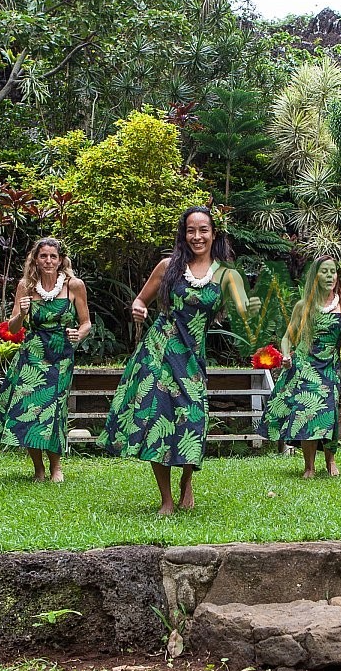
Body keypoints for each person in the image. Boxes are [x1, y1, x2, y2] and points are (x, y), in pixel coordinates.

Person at [100, 206, 259, 516]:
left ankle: (187, 479)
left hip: (192, 358)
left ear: (214, 234)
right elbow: (139, 299)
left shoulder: (227, 275)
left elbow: (245, 315)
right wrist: (138, 309)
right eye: (191, 230)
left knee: (192, 419)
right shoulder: (168, 267)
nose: (197, 236)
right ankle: (166, 500)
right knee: (158, 420)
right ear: (183, 234)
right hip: (159, 349)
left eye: (203, 230)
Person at [0, 237, 92, 482]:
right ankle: (38, 469)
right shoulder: (26, 286)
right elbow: (12, 327)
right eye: (44, 256)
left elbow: (86, 324)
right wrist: (22, 312)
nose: (49, 261)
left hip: (61, 355)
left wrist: (78, 334)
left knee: (53, 409)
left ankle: (56, 467)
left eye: (53, 256)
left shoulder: (74, 285)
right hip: (31, 354)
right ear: (36, 260)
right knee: (29, 408)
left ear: (61, 260)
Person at [257, 255, 341, 479]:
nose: (330, 276)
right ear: (315, 276)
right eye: (325, 271)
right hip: (304, 364)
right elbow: (287, 338)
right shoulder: (304, 306)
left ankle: (330, 460)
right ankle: (309, 466)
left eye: (333, 271)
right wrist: (285, 356)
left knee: (328, 413)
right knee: (306, 412)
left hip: (329, 364)